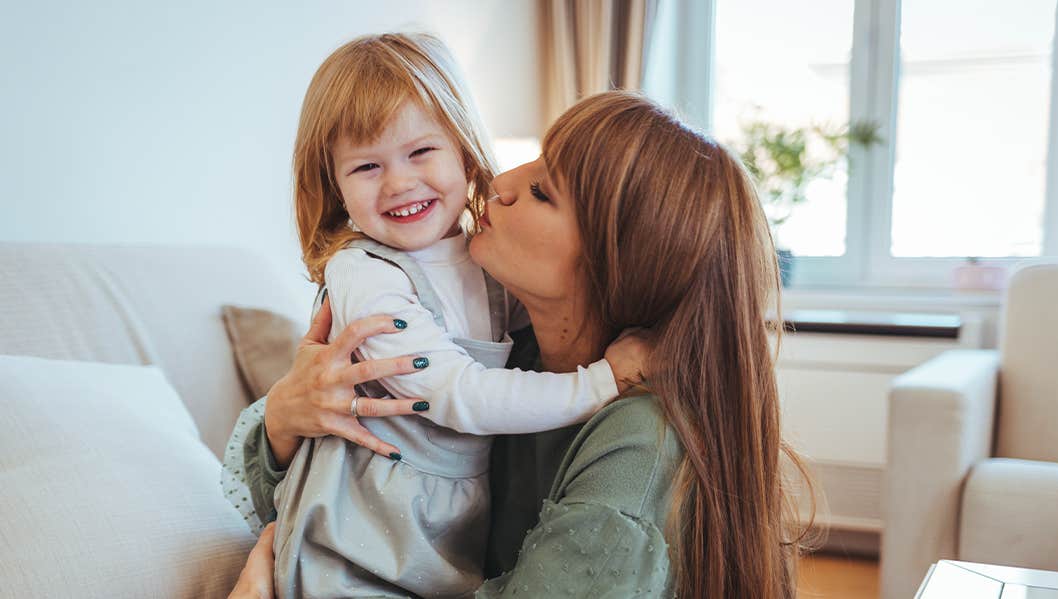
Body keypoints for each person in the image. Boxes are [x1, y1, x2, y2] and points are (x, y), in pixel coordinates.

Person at [229, 90, 820, 599]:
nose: (500, 183)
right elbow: (308, 498)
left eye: (543, 192)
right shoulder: (508, 357)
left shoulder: (637, 447)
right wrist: (283, 422)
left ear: (617, 263)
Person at [220, 33, 646, 599]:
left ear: (464, 149)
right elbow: (456, 393)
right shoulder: (364, 274)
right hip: (356, 534)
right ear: (335, 187)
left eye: (421, 152)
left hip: (442, 528)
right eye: (367, 166)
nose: (398, 183)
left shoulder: (481, 259)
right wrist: (600, 383)